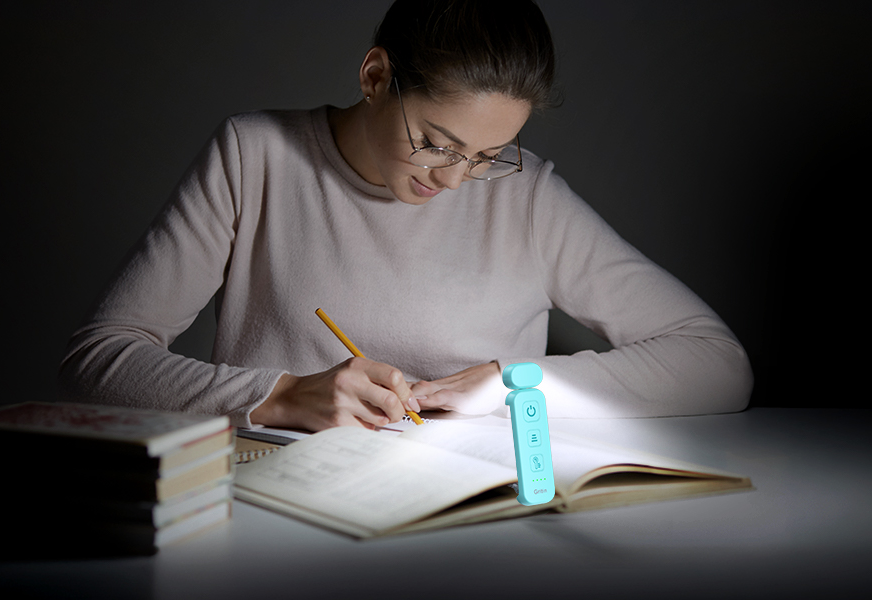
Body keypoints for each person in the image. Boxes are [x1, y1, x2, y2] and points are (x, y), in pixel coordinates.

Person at [59, 0, 752, 432]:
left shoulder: (529, 196)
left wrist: (515, 384)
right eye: (436, 143)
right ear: (375, 77)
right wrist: (277, 396)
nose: (455, 180)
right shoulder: (256, 155)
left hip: (474, 525)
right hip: (278, 513)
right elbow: (98, 359)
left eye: (489, 154)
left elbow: (718, 365)